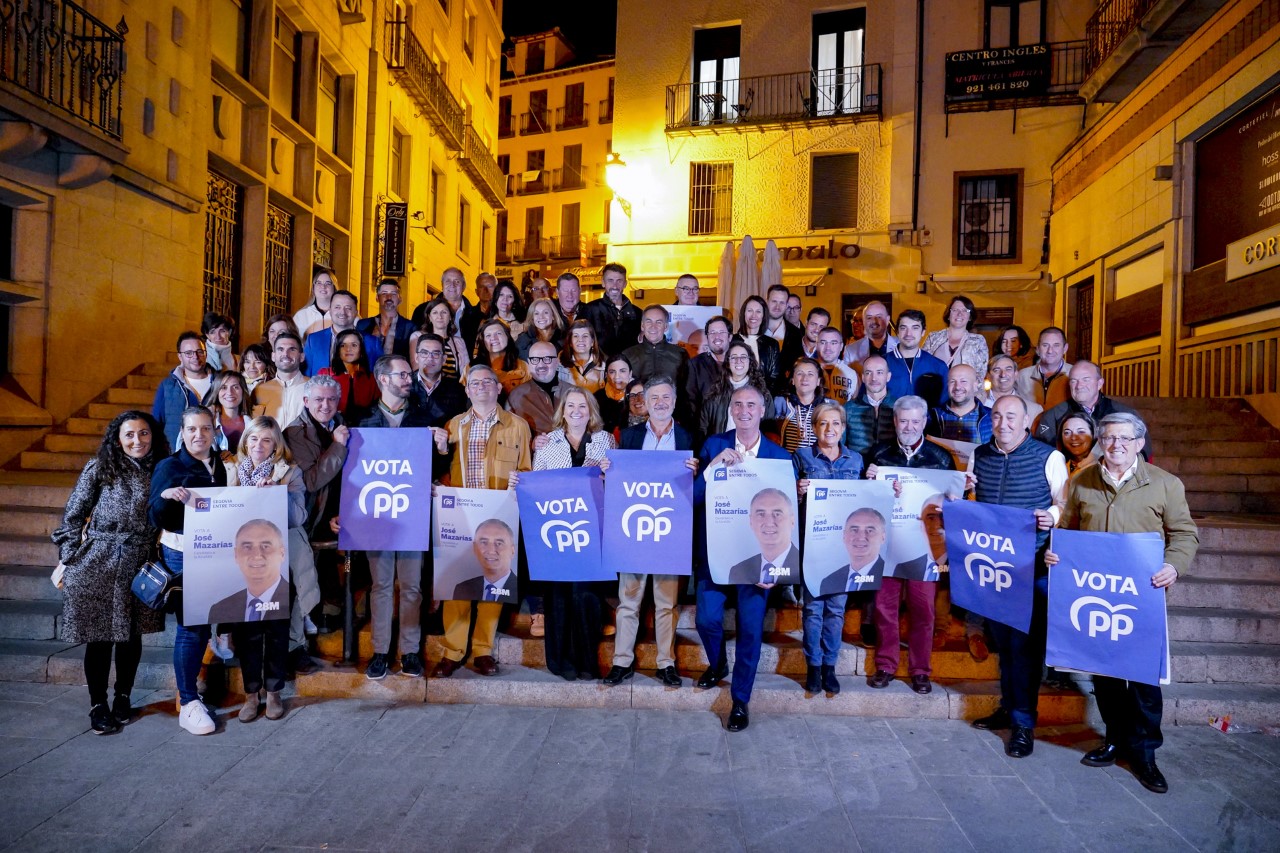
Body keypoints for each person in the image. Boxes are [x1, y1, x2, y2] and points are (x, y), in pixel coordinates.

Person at [1051, 412, 1198, 794]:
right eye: (1109, 438)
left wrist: (1173, 566)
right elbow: (1067, 529)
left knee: (1145, 680)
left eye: (1124, 439)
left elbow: (1184, 534)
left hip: (1141, 598)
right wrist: (1057, 554)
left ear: (1139, 443)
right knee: (1105, 675)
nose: (1115, 445)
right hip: (1097, 595)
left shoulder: (1165, 485)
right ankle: (1114, 739)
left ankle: (1145, 753)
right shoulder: (1082, 481)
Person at [53, 411, 169, 734]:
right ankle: (97, 703)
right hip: (98, 562)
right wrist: (71, 556)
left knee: (131, 636)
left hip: (139, 561)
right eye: (129, 435)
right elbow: (74, 515)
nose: (137, 441)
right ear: (117, 439)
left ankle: (123, 697)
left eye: (143, 434)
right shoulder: (100, 468)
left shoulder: (162, 470)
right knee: (100, 638)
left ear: (153, 436)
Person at [969, 395, 1069, 758]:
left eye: (1011, 416)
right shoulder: (979, 455)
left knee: (1025, 650)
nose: (1003, 423)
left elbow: (1066, 503)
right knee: (1003, 645)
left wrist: (1052, 517)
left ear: (1026, 420)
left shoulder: (1049, 457)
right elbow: (971, 501)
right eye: (996, 416)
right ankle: (1008, 707)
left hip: (1034, 567)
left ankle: (1024, 724)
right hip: (994, 570)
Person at [695, 385, 793, 732]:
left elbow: (787, 514)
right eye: (738, 404)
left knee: (751, 630)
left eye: (751, 404)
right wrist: (712, 470)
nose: (745, 410)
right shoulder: (713, 446)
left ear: (762, 409)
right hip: (716, 554)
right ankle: (718, 664)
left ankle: (740, 700)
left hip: (759, 561)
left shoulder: (780, 457)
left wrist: (777, 567)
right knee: (706, 619)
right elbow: (692, 499)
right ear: (731, 410)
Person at [431, 364, 532, 678]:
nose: (482, 387)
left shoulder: (518, 426)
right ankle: (452, 651)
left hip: (499, 512)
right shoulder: (454, 425)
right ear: (467, 389)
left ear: (499, 388)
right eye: (475, 383)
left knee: (494, 582)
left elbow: (527, 470)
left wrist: (521, 481)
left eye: (488, 381)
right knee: (456, 584)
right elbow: (442, 466)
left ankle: (482, 650)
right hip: (461, 511)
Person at [601, 375, 697, 688]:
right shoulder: (628, 437)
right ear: (644, 402)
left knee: (666, 603)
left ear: (674, 400)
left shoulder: (688, 438)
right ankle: (622, 662)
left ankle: (666, 663)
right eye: (654, 397)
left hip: (670, 533)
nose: (660, 403)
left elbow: (697, 490)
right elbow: (617, 484)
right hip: (633, 531)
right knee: (628, 601)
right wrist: (607, 471)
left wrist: (696, 473)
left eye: (666, 397)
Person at [864, 396, 957, 695]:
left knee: (923, 610)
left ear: (924, 422)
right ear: (894, 421)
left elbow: (952, 507)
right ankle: (886, 664)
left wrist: (957, 494)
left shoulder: (941, 459)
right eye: (903, 420)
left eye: (915, 421)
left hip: (924, 548)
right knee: (884, 608)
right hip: (888, 544)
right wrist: (870, 482)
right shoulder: (878, 455)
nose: (909, 426)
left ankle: (920, 670)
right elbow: (863, 502)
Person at [523, 387, 617, 680]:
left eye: (583, 406)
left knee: (586, 597)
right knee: (559, 596)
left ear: (591, 411)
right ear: (562, 410)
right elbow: (537, 482)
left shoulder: (605, 440)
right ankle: (561, 661)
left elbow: (615, 485)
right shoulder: (547, 442)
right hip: (555, 532)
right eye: (571, 406)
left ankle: (587, 662)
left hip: (591, 535)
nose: (577, 411)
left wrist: (608, 474)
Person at [149, 406, 228, 736]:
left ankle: (192, 694)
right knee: (192, 626)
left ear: (214, 430)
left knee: (204, 623)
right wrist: (167, 497)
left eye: (206, 429)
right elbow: (155, 512)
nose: (199, 435)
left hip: (211, 551)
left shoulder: (217, 464)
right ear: (183, 432)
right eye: (193, 429)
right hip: (182, 553)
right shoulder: (169, 466)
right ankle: (189, 701)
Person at [356, 355, 432, 679]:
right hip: (377, 516)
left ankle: (410, 652)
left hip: (412, 514)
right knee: (381, 585)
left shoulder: (423, 418)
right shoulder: (362, 421)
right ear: (383, 379)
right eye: (401, 374)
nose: (408, 378)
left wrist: (439, 450)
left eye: (408, 374)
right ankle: (380, 651)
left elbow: (434, 468)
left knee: (412, 586)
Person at [794, 402, 866, 694]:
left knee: (836, 610)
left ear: (844, 428)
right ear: (814, 429)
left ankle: (829, 666)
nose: (830, 429)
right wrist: (797, 492)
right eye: (823, 423)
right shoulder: (800, 457)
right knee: (812, 610)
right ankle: (813, 665)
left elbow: (864, 501)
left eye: (836, 423)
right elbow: (787, 504)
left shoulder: (856, 461)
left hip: (844, 549)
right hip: (813, 545)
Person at [284, 375, 348, 639]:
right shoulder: (295, 432)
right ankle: (303, 630)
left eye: (331, 399)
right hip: (311, 516)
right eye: (319, 399)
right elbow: (311, 481)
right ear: (306, 401)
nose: (325, 405)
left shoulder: (342, 423)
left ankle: (330, 609)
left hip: (339, 511)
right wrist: (338, 445)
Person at [1034, 360, 1144, 451]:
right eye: (1073, 381)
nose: (1079, 386)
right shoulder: (1053, 416)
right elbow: (1041, 455)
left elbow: (1143, 453)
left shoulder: (1126, 414)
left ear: (1100, 383)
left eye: (1085, 379)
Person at [699, 341, 772, 442]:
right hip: (721, 450)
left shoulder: (763, 394)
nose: (738, 361)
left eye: (743, 357)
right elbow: (703, 429)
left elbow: (769, 430)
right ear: (728, 363)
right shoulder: (714, 392)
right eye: (734, 357)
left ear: (750, 361)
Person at [153, 331, 212, 449]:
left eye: (199, 352)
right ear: (180, 356)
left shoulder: (220, 384)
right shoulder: (168, 386)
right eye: (188, 353)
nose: (195, 357)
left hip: (212, 455)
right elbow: (156, 425)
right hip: (177, 455)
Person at [303, 290, 382, 378]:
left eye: (348, 308)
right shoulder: (313, 340)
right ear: (330, 310)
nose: (342, 312)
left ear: (356, 312)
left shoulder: (372, 342)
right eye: (337, 307)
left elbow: (379, 377)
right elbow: (306, 376)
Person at [885, 310, 949, 408]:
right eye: (903, 328)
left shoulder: (938, 366)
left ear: (923, 332)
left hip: (927, 423)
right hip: (889, 422)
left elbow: (945, 404)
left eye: (915, 328)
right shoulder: (881, 364)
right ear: (897, 331)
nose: (908, 334)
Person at [412, 267, 483, 353]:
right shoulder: (422, 311)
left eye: (457, 281)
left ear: (464, 286)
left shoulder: (476, 316)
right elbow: (414, 347)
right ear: (442, 285)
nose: (452, 285)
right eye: (448, 281)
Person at [581, 262, 641, 357]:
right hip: (599, 368)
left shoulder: (638, 313)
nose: (615, 286)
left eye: (619, 281)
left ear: (625, 284)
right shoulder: (590, 310)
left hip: (628, 368)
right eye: (610, 280)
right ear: (603, 283)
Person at [684, 315, 732, 433]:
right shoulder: (695, 365)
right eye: (712, 333)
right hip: (707, 433)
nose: (717, 337)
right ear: (707, 337)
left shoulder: (741, 361)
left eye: (721, 332)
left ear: (730, 337)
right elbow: (690, 403)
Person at [774, 357, 833, 453]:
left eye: (810, 374)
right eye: (799, 373)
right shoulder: (780, 403)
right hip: (787, 463)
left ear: (818, 381)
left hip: (818, 465)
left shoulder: (830, 406)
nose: (805, 378)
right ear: (792, 379)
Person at [843, 355, 897, 459]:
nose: (874, 378)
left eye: (879, 372)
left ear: (888, 376)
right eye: (868, 373)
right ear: (863, 377)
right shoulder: (848, 408)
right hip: (857, 470)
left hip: (889, 470)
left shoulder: (900, 406)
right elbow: (838, 446)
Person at [507, 341, 564, 437]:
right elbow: (511, 438)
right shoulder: (515, 396)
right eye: (535, 359)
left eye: (547, 359)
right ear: (529, 363)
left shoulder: (575, 393)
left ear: (557, 362)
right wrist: (532, 444)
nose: (541, 365)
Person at [623, 304, 689, 386]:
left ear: (666, 327)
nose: (653, 327)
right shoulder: (628, 355)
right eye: (648, 321)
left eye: (659, 322)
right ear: (642, 326)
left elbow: (687, 388)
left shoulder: (680, 354)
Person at [410, 333, 468, 426]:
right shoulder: (404, 386)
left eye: (436, 353)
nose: (430, 358)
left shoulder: (457, 390)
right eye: (424, 353)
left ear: (444, 359)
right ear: (417, 357)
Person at [453, 519, 518, 601]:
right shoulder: (462, 589)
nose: (491, 551)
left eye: (499, 543)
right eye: (484, 542)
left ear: (512, 550)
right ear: (475, 548)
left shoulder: (523, 590)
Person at [253, 332, 307, 429]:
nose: (285, 354)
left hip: (303, 444)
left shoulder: (313, 387)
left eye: (292, 349)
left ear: (302, 357)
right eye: (280, 349)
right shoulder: (260, 390)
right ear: (273, 356)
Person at [927, 364, 992, 444]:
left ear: (975, 385)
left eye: (963, 381)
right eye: (952, 381)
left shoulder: (992, 418)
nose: (957, 387)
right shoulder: (932, 416)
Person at [412, 295, 471, 383]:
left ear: (450, 317)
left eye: (444, 312)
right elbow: (416, 368)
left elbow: (466, 372)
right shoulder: (418, 337)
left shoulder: (459, 342)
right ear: (429, 317)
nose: (440, 316)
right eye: (435, 312)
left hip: (455, 391)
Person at [922, 295, 989, 373]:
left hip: (964, 385)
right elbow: (922, 364)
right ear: (948, 315)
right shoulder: (933, 337)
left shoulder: (978, 341)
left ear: (970, 317)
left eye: (965, 310)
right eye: (955, 310)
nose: (959, 314)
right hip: (935, 384)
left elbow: (981, 372)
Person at [324, 328, 378, 424]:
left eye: (354, 345)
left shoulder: (372, 379)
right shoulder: (325, 374)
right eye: (343, 345)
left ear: (361, 350)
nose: (348, 349)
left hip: (366, 428)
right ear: (337, 349)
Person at [1015, 326, 1073, 410]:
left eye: (1056, 345)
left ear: (1065, 348)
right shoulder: (1022, 376)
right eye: (1045, 345)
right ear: (1038, 349)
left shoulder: (1074, 374)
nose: (1050, 351)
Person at [734, 295, 782, 393]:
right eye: (750, 310)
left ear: (764, 316)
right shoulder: (731, 341)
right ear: (743, 313)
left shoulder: (772, 345)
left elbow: (774, 378)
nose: (753, 315)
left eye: (758, 311)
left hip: (761, 399)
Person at [357, 279, 415, 360]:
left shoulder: (410, 328)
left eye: (393, 293)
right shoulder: (362, 325)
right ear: (377, 298)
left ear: (400, 299)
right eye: (384, 293)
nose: (389, 297)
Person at [980, 354, 1043, 422]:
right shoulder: (974, 403)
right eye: (997, 370)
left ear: (1016, 374)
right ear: (988, 376)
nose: (1003, 374)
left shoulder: (1033, 410)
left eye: (1008, 369)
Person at [475, 318, 530, 394]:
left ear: (507, 337)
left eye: (498, 333)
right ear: (483, 341)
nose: (494, 338)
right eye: (488, 335)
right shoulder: (472, 368)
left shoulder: (523, 366)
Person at [203, 370, 252, 453]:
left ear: (243, 391)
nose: (230, 393)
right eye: (223, 387)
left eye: (235, 387)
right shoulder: (204, 420)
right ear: (217, 392)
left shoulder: (253, 421)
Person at [843, 300, 897, 368]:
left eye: (879, 317)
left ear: (887, 320)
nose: (874, 321)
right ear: (864, 322)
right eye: (869, 317)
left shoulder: (902, 346)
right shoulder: (850, 350)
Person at [559, 319, 607, 393]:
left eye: (585, 336)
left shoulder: (605, 365)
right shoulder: (559, 364)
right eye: (576, 336)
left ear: (592, 342)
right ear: (570, 342)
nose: (580, 340)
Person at [763, 284, 804, 370]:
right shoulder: (754, 328)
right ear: (767, 301)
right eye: (774, 301)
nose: (777, 307)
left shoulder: (795, 334)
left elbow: (797, 367)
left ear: (786, 305)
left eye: (782, 302)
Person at [816, 326, 859, 405]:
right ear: (816, 345)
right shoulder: (807, 370)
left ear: (841, 346)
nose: (828, 348)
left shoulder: (852, 374)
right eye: (823, 342)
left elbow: (854, 406)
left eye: (833, 343)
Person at [293, 265, 337, 340]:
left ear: (334, 288)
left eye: (328, 283)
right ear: (313, 287)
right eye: (319, 283)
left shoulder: (343, 314)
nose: (323, 286)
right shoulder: (301, 316)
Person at [595, 354, 634, 435]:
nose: (617, 376)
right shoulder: (596, 398)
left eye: (622, 371)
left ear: (630, 373)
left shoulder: (639, 396)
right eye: (612, 372)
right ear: (606, 375)